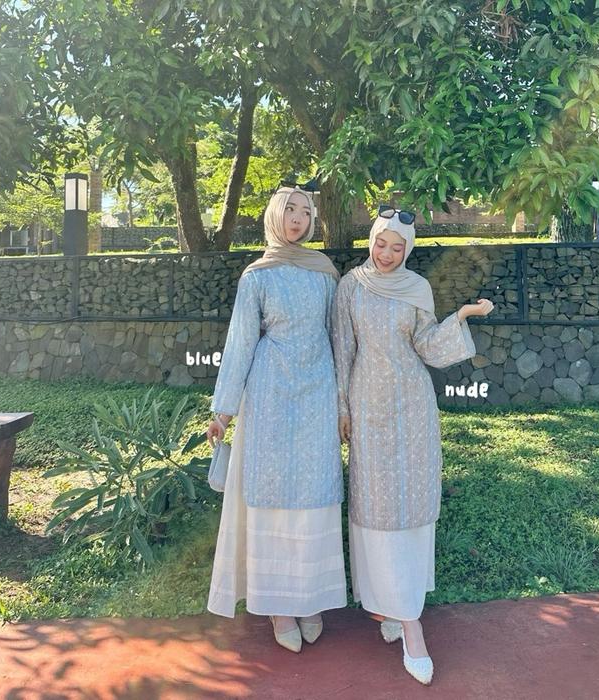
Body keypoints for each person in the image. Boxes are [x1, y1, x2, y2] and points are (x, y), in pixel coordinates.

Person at [332, 206, 494, 684]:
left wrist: (461, 315)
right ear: (371, 240)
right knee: (376, 506)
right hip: (367, 405)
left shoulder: (417, 287)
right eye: (381, 243)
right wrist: (342, 407)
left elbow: (426, 344)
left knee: (411, 504)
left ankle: (407, 617)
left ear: (408, 250)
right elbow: (343, 349)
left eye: (397, 247)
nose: (386, 253)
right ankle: (393, 610)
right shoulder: (350, 286)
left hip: (414, 406)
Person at [206, 186, 346, 653]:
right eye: (290, 210)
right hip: (269, 393)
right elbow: (241, 341)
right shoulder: (257, 276)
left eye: (306, 212)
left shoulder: (324, 273)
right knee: (271, 492)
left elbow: (338, 336)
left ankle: (310, 598)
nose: (299, 218)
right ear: (274, 215)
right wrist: (223, 411)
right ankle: (277, 606)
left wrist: (344, 402)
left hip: (318, 391)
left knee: (315, 490)